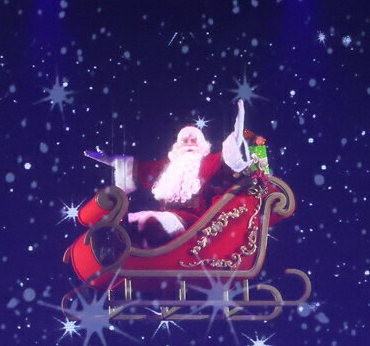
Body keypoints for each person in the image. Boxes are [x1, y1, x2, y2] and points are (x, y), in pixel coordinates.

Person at [85, 99, 252, 243]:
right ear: (178, 145)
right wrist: (109, 160)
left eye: (194, 140)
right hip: (166, 216)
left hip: (191, 222)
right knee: (130, 221)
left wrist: (238, 129)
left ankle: (147, 255)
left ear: (202, 145)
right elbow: (139, 167)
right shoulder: (169, 167)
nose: (189, 143)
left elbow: (229, 153)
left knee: (149, 221)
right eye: (185, 140)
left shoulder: (207, 162)